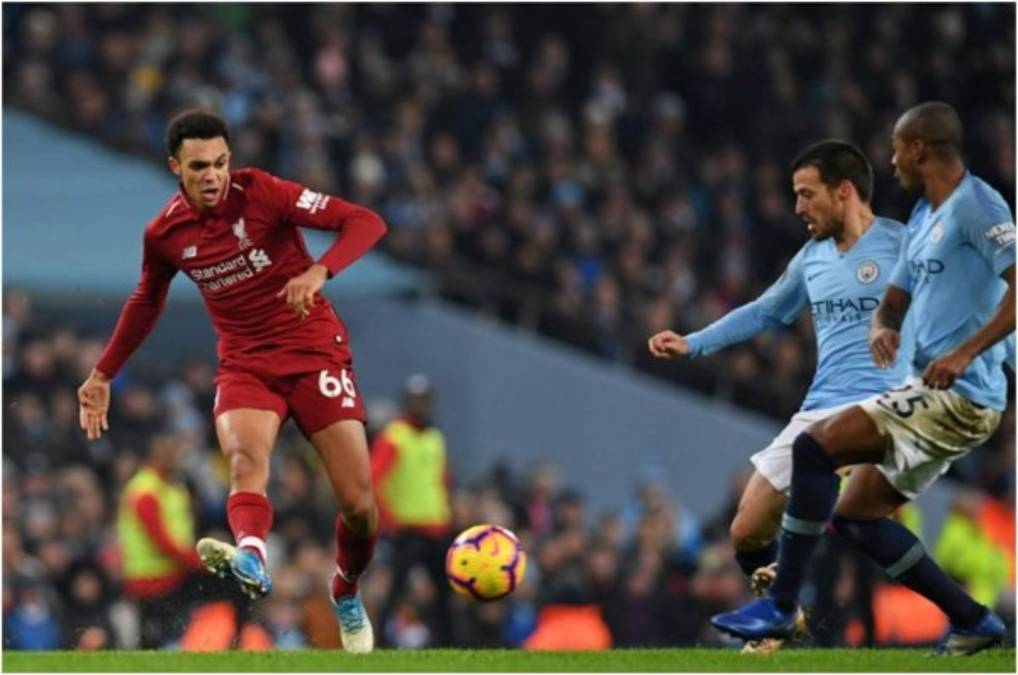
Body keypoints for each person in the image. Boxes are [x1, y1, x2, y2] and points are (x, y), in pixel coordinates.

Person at [77, 109, 387, 653]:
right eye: (200, 166)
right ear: (176, 167)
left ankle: (345, 587)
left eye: (221, 162)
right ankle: (251, 552)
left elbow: (365, 221)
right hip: (246, 362)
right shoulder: (165, 233)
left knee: (360, 508)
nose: (214, 175)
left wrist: (318, 271)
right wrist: (103, 372)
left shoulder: (264, 192)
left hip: (312, 351)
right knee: (245, 461)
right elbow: (147, 300)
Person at [712, 101, 1014, 656]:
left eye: (898, 147)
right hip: (936, 391)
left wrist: (969, 353)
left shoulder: (978, 205)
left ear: (920, 148)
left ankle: (780, 607)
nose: (892, 159)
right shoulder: (926, 217)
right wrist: (885, 324)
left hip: (961, 394)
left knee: (814, 450)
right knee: (856, 517)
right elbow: (901, 295)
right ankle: (975, 621)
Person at [649, 139, 910, 651]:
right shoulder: (812, 258)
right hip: (818, 406)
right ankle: (786, 615)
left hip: (885, 405)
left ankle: (956, 622)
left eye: (806, 195)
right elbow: (766, 312)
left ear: (845, 192)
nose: (797, 208)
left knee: (856, 531)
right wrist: (694, 343)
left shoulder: (905, 244)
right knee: (746, 530)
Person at [371, 374, 454, 646]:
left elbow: (441, 480)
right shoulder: (395, 436)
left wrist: (446, 513)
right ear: (407, 402)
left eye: (426, 400)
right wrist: (389, 521)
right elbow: (374, 481)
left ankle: (448, 644)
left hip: (436, 528)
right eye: (418, 400)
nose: (422, 406)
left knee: (444, 592)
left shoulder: (434, 437)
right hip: (408, 530)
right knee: (396, 590)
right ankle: (380, 642)